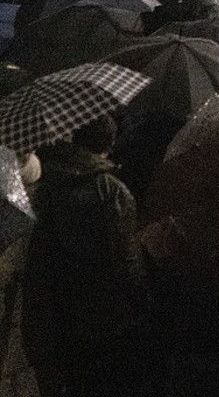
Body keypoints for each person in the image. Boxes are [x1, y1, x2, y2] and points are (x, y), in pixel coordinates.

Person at [24, 115, 150, 397]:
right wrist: (140, 304)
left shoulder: (46, 183)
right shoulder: (112, 191)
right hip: (102, 318)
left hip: (57, 314)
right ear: (111, 143)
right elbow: (127, 259)